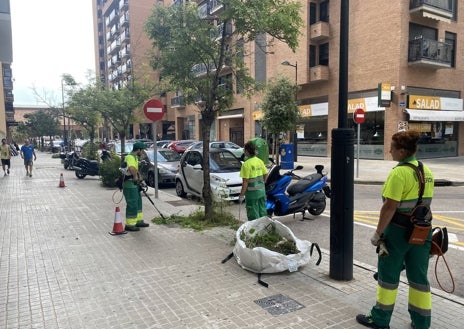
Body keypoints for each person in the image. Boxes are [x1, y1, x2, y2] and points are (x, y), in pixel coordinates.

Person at [356, 130, 434, 329]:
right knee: (419, 278)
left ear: (402, 151)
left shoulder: (399, 173)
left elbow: (389, 207)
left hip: (398, 232)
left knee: (388, 277)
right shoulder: (427, 172)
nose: (389, 151)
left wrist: (377, 234)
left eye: (392, 148)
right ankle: (421, 322)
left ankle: (380, 319)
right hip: (422, 232)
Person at [122, 141, 150, 232]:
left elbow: (136, 170)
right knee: (132, 203)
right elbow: (131, 169)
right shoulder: (130, 157)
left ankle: (138, 221)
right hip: (130, 184)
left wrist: (141, 179)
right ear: (138, 150)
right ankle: (130, 224)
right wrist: (135, 177)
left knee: (138, 202)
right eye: (142, 151)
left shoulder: (134, 157)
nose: (142, 152)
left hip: (134, 185)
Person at [239, 141, 268, 220]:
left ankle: (255, 230)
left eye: (244, 150)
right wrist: (263, 183)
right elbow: (266, 174)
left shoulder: (246, 164)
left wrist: (242, 195)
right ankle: (264, 228)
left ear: (247, 151)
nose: (244, 152)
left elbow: (245, 181)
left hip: (252, 194)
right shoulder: (259, 161)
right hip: (261, 191)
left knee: (253, 214)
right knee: (262, 211)